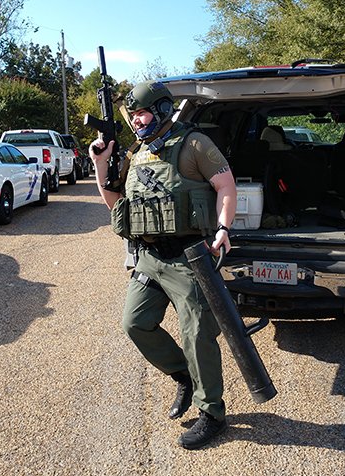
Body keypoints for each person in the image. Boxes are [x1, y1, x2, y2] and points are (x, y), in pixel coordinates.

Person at [89, 80, 237, 450]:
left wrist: (222, 228)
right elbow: (115, 203)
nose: (136, 121)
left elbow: (226, 186)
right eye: (133, 115)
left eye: (141, 113)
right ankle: (183, 375)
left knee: (197, 333)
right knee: (135, 323)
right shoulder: (136, 154)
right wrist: (99, 161)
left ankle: (212, 412)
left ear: (162, 111)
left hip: (189, 256)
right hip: (150, 256)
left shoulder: (194, 143)